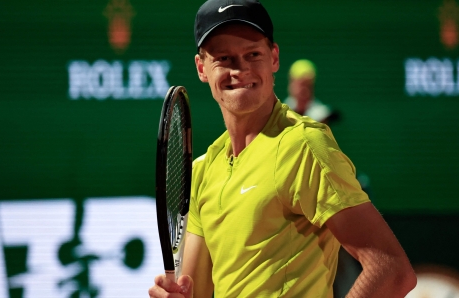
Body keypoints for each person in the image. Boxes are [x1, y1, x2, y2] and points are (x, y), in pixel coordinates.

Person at [149, 0, 416, 297]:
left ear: (274, 58)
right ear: (202, 68)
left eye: (253, 54)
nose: (241, 69)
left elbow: (391, 270)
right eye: (224, 58)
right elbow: (195, 290)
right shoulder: (203, 169)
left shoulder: (304, 146)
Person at [284, 59, 336, 124]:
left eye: (309, 85)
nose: (305, 90)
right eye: (302, 85)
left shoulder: (321, 114)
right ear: (291, 85)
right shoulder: (279, 113)